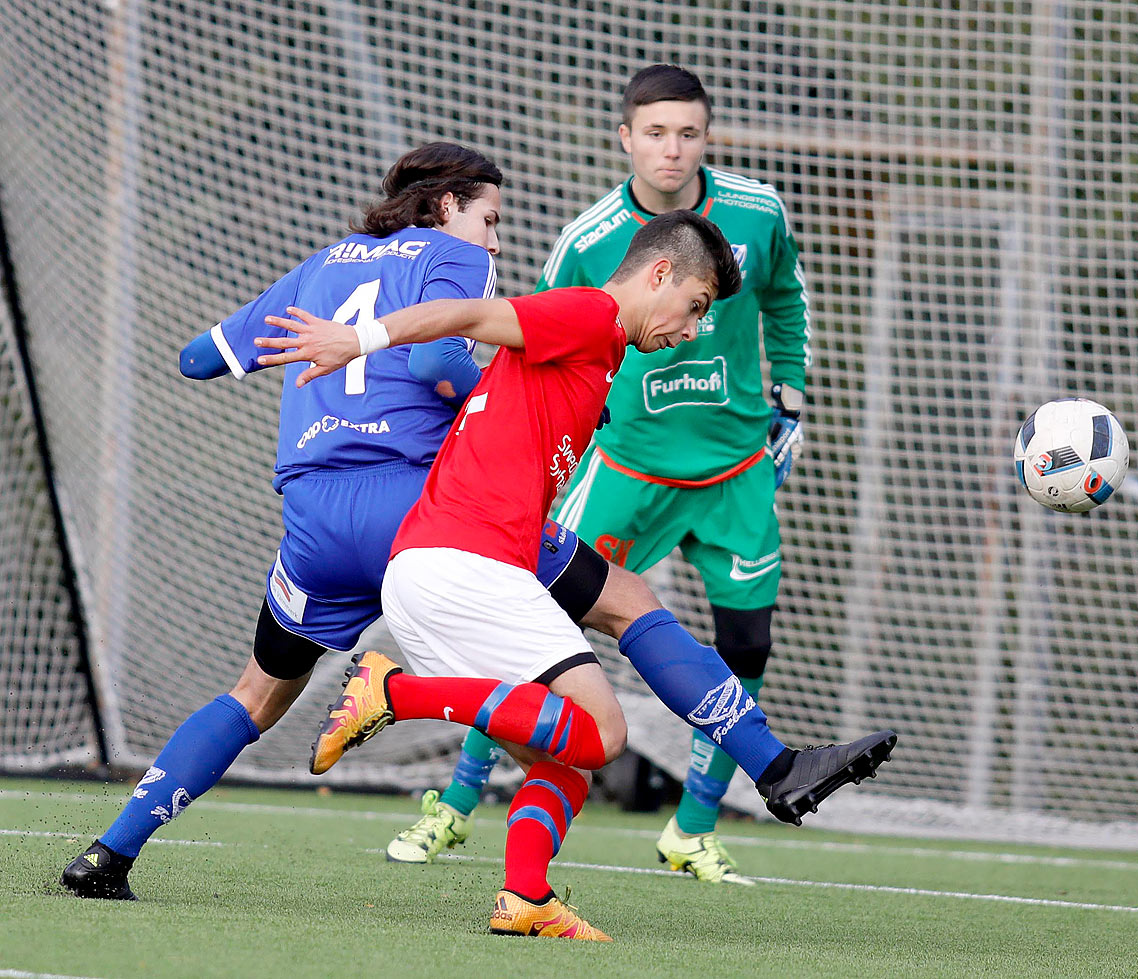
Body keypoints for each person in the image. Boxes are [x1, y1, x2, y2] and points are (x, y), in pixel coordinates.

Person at [60, 144, 884, 908]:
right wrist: (481, 394)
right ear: (446, 206)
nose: (494, 239)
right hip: (426, 508)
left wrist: (332, 349)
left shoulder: (319, 268)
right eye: (490, 217)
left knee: (256, 696)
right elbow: (436, 354)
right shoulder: (455, 258)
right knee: (624, 612)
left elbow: (198, 359)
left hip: (312, 518)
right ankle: (767, 763)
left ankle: (112, 850)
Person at [254, 209, 896, 940]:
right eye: (695, 307)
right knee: (602, 731)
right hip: (464, 564)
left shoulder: (603, 350)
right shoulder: (590, 314)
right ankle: (393, 689)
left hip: (457, 563)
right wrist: (359, 338)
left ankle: (526, 895)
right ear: (659, 273)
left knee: (569, 746)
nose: (691, 330)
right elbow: (466, 313)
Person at [405, 64, 812, 885]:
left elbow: (786, 302)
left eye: (689, 132)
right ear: (626, 137)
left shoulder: (758, 212)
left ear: (708, 136)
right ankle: (457, 797)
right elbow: (527, 339)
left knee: (746, 644)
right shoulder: (590, 242)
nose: (673, 149)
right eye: (656, 132)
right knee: (538, 627)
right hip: (622, 466)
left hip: (735, 466)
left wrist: (790, 394)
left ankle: (692, 828)